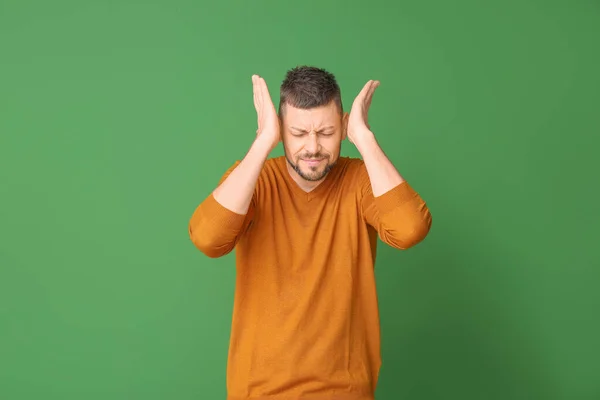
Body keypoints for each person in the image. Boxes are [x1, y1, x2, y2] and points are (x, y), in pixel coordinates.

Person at [188, 66, 432, 400]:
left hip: (346, 392)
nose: (313, 147)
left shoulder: (361, 180)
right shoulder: (254, 181)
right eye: (299, 133)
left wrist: (364, 138)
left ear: (343, 126)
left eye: (327, 132)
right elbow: (208, 239)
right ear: (281, 131)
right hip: (257, 392)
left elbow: (410, 229)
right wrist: (262, 143)